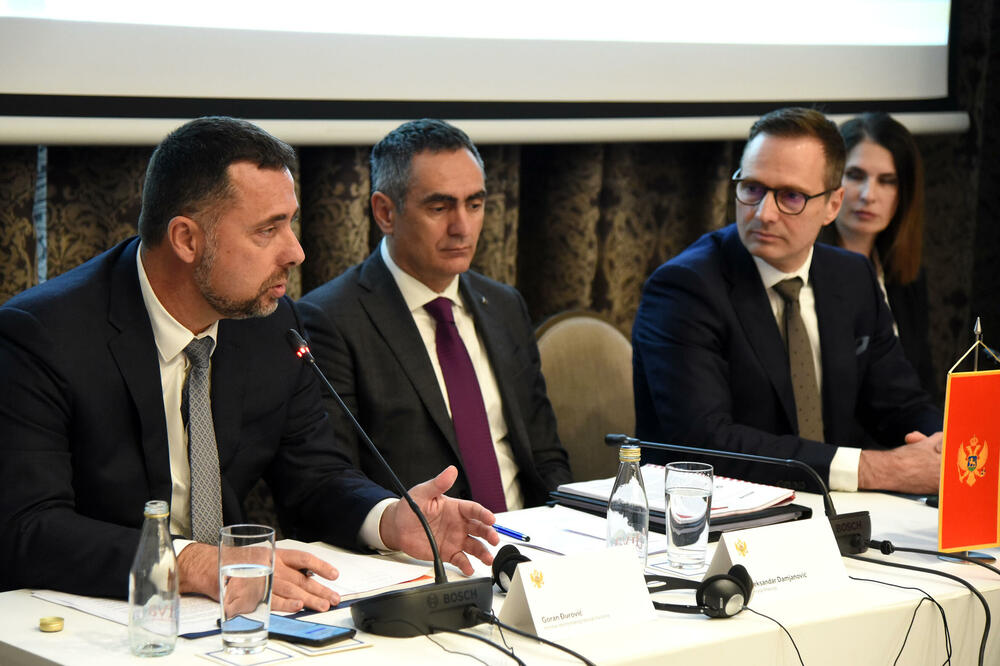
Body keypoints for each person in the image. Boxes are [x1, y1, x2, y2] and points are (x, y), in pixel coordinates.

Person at [0, 117, 498, 609]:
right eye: (267, 230)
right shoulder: (42, 336)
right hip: (97, 611)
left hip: (233, 608)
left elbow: (314, 475)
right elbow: (28, 527)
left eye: (291, 223)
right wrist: (193, 563)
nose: (296, 252)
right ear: (186, 239)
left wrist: (388, 519)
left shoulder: (269, 323)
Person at [632, 107, 942, 494]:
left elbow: (900, 403)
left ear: (833, 205)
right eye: (752, 188)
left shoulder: (852, 277)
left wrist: (945, 446)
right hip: (717, 510)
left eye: (791, 196)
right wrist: (874, 469)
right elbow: (706, 440)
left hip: (835, 509)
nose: (764, 213)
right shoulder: (685, 288)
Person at [298, 119, 571, 512]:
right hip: (421, 543)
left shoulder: (505, 305)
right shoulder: (331, 319)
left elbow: (546, 455)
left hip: (530, 534)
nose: (462, 228)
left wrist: (568, 528)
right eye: (439, 207)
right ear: (385, 212)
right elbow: (334, 482)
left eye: (474, 205)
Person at [820, 112, 937, 400]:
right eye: (855, 175)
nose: (868, 195)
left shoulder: (907, 277)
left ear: (903, 194)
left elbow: (922, 383)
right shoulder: (802, 272)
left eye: (887, 181)